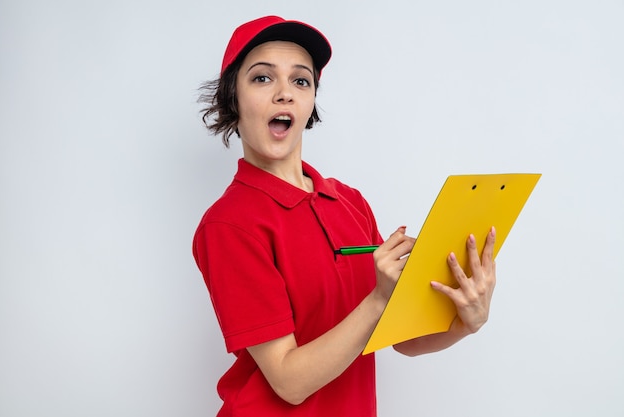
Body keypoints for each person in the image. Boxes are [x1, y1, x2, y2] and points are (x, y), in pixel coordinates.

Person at [193, 15, 496, 417]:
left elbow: (399, 338)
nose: (285, 93)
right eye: (262, 78)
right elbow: (289, 382)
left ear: (311, 101)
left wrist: (464, 323)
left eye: (301, 81)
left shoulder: (349, 201)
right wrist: (377, 299)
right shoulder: (229, 224)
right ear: (233, 97)